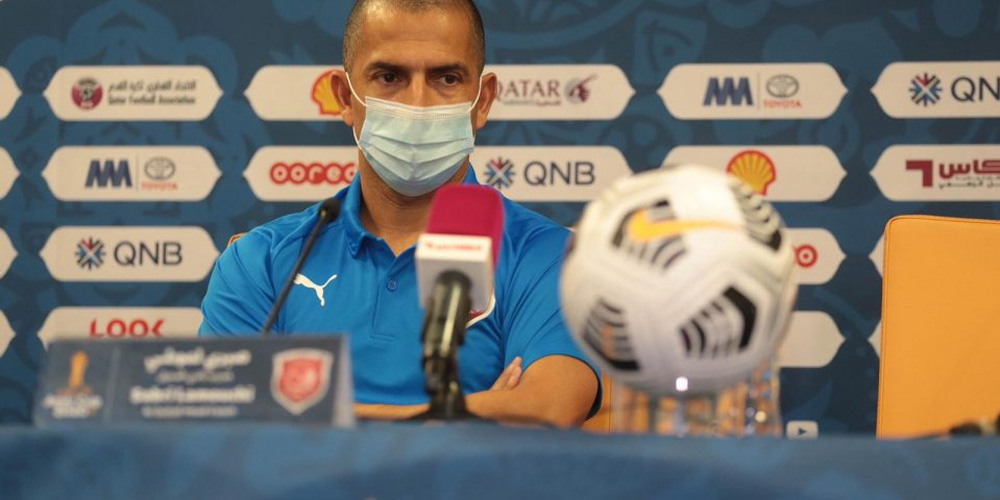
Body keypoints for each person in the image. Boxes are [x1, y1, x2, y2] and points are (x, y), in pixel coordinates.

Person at [199, 0, 600, 427]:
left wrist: (312, 416)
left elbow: (549, 409)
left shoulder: (549, 257)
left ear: (482, 101)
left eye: (446, 78)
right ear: (345, 97)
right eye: (389, 77)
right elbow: (223, 421)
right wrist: (467, 415)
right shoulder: (259, 260)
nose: (417, 103)